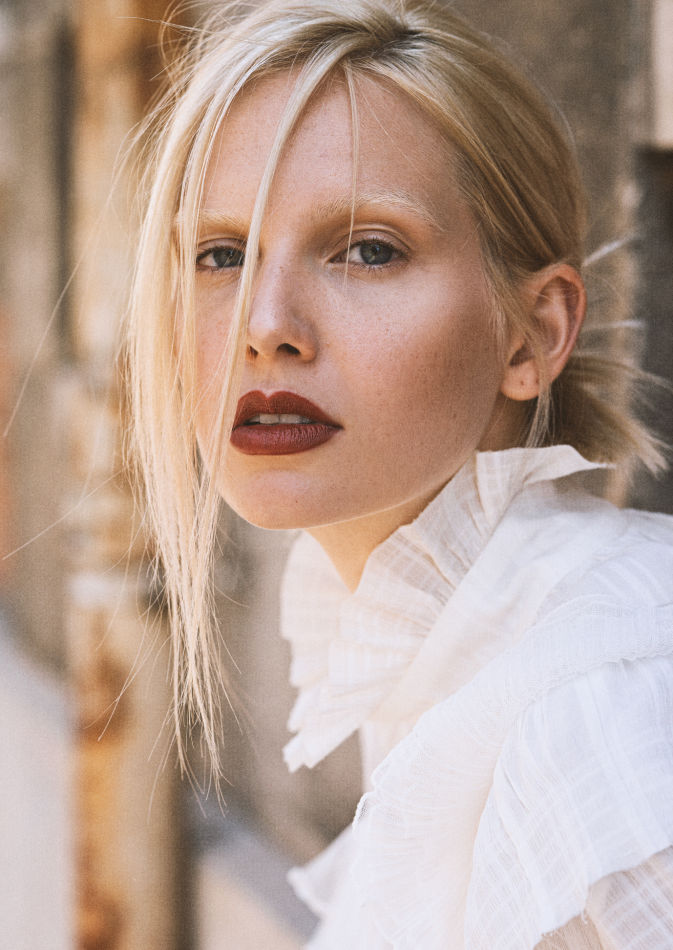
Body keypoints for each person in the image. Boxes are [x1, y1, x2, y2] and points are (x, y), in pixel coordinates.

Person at [125, 0, 673, 946]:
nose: (266, 325)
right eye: (222, 255)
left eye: (368, 250)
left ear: (531, 334)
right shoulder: (439, 652)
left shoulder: (603, 706)